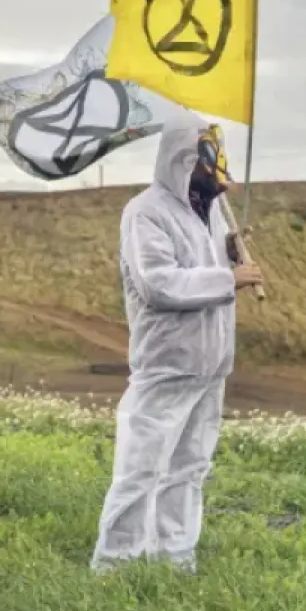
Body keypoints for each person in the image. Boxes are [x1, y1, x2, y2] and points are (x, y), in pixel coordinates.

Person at [91, 111, 262, 574]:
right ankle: (115, 567)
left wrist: (224, 250)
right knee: (141, 468)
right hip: (167, 365)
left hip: (210, 366)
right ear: (184, 158)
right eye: (209, 162)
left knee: (189, 468)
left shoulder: (203, 215)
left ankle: (173, 559)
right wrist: (229, 277)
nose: (217, 174)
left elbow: (193, 262)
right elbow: (159, 283)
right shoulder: (145, 212)